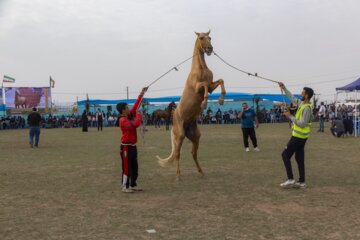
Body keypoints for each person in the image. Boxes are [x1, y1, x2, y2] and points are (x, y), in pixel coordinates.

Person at [278, 82, 314, 189]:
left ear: (306, 95)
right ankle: (302, 182)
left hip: (299, 137)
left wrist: (290, 116)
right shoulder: (301, 104)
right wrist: (284, 88)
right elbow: (292, 98)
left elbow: (303, 124)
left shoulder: (307, 108)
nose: (301, 94)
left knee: (285, 155)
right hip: (300, 137)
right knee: (299, 158)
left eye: (302, 93)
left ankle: (290, 179)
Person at [116, 87, 148, 193]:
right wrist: (138, 116)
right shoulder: (122, 120)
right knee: (126, 167)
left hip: (133, 146)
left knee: (135, 167)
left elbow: (136, 105)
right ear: (123, 110)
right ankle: (125, 186)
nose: (129, 108)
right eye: (127, 107)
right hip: (126, 147)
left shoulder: (128, 115)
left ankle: (133, 185)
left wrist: (142, 93)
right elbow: (136, 124)